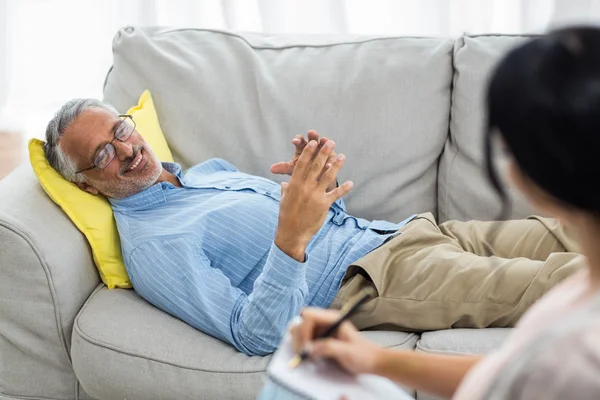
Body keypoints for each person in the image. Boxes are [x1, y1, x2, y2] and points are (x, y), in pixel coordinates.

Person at [44, 51, 582, 360]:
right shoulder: (153, 248)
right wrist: (291, 238)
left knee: (573, 230)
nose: (126, 149)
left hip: (398, 234)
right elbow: (253, 335)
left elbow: (299, 219)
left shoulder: (205, 174)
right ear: (89, 185)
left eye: (120, 128)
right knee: (564, 280)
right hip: (368, 279)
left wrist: (310, 183)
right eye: (103, 155)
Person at [285, 26, 600, 399]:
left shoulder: (577, 355)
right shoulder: (581, 297)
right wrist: (377, 361)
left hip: (383, 251)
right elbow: (512, 372)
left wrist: (292, 235)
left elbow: (526, 378)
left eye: (508, 150)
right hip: (389, 251)